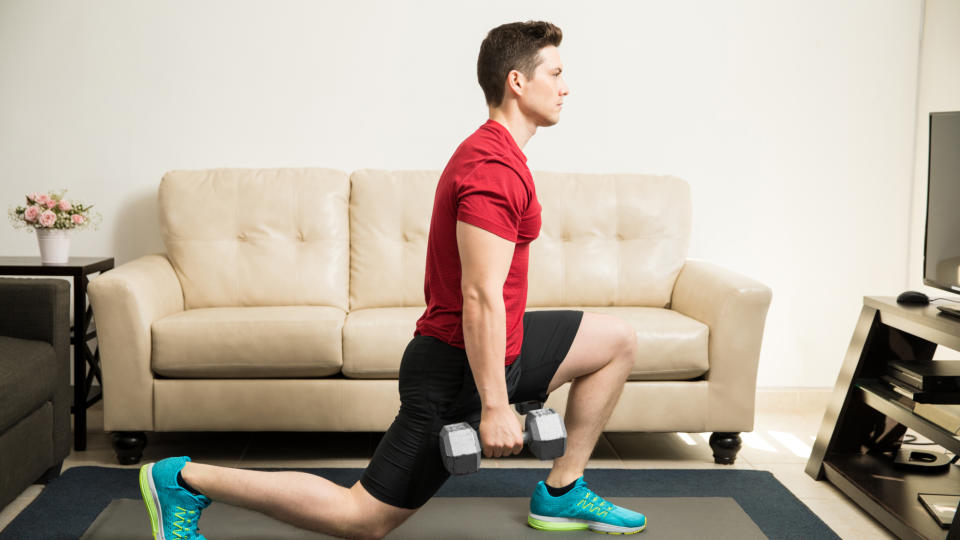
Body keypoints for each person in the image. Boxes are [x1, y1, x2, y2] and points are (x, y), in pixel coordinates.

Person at [139, 20, 646, 540]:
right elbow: (479, 295)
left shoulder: (503, 154)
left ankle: (561, 492)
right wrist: (495, 405)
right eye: (556, 73)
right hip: (455, 371)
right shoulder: (493, 167)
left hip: (504, 349)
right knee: (362, 518)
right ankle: (180, 478)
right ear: (517, 81)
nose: (566, 87)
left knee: (615, 340)